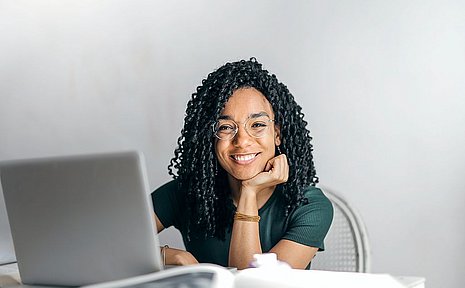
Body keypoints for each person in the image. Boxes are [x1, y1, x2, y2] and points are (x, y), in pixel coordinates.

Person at [151, 58, 333, 270]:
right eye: (226, 127)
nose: (242, 141)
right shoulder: (187, 192)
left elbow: (254, 285)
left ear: (277, 134)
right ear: (210, 137)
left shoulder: (309, 206)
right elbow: (108, 244)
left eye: (257, 125)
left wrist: (249, 191)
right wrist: (173, 256)